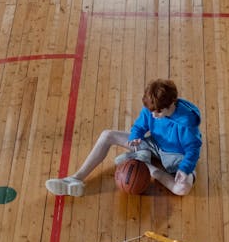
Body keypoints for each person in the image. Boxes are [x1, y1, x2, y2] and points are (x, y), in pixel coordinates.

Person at [46, 78, 202, 197]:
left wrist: (185, 168)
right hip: (153, 145)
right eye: (152, 111)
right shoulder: (153, 107)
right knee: (107, 135)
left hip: (176, 156)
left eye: (158, 112)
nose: (154, 115)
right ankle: (75, 178)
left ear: (172, 103)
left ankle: (144, 164)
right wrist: (136, 136)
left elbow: (193, 149)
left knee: (182, 189)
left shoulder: (187, 122)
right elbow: (140, 125)